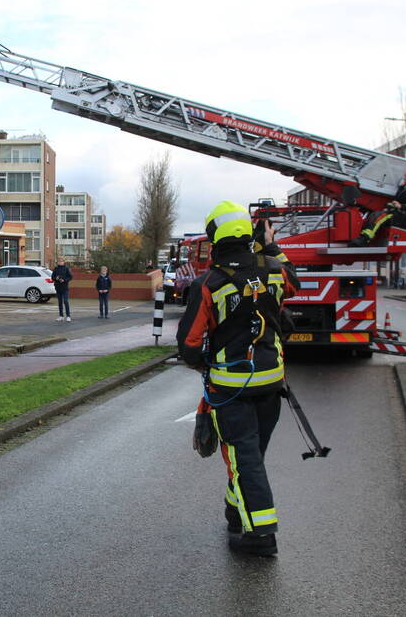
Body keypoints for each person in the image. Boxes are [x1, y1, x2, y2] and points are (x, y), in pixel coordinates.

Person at [176, 200, 299, 557]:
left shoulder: (209, 283)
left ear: (214, 238)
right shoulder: (275, 269)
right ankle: (235, 512)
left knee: (244, 458)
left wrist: (205, 364)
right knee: (251, 456)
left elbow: (188, 344)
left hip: (230, 390)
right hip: (272, 386)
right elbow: (295, 283)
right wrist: (272, 245)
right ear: (248, 234)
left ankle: (260, 535)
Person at [348, 167, 406, 246]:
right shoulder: (404, 187)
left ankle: (365, 240)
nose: (404, 178)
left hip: (405, 216)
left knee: (381, 217)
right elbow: (396, 200)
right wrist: (390, 206)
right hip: (396, 212)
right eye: (404, 175)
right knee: (375, 214)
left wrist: (401, 206)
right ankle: (362, 236)